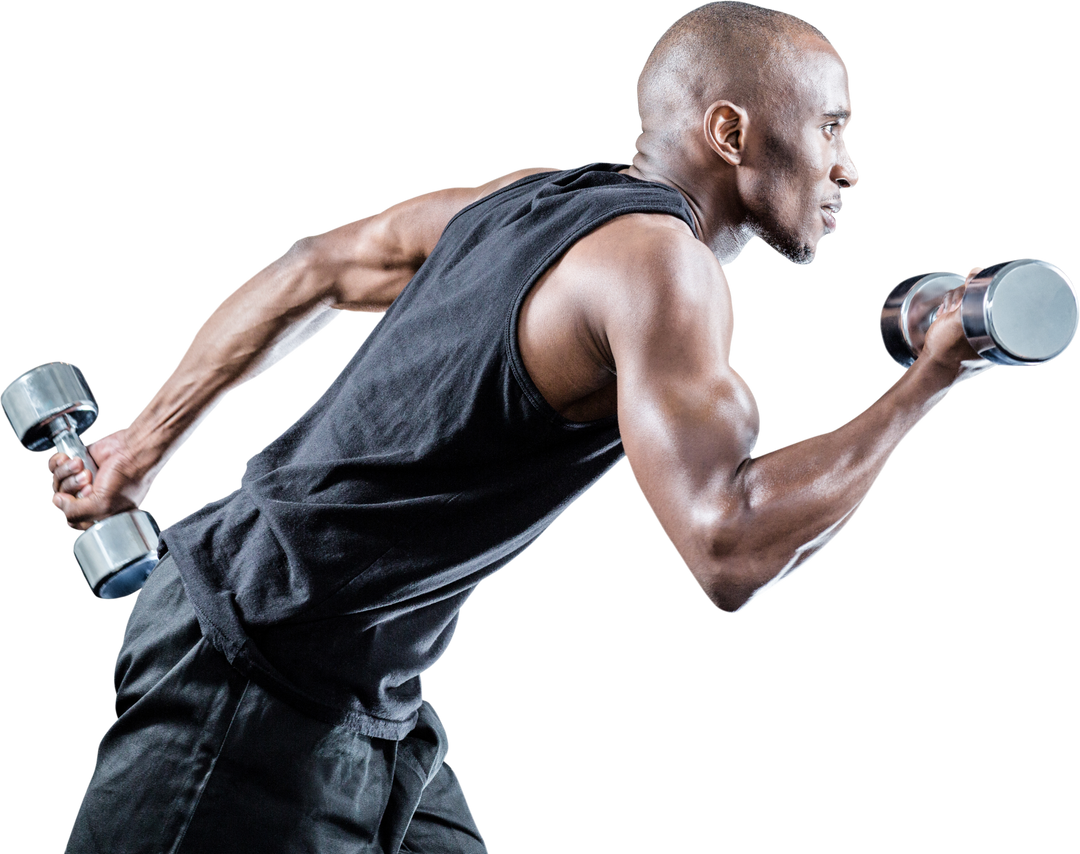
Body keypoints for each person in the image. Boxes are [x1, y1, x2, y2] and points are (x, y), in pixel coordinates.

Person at [50, 2, 995, 851]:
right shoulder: (664, 272)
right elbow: (729, 549)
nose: (849, 167)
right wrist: (932, 378)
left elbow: (318, 266)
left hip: (366, 693)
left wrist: (135, 452)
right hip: (252, 670)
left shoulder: (536, 196)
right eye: (832, 127)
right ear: (730, 130)